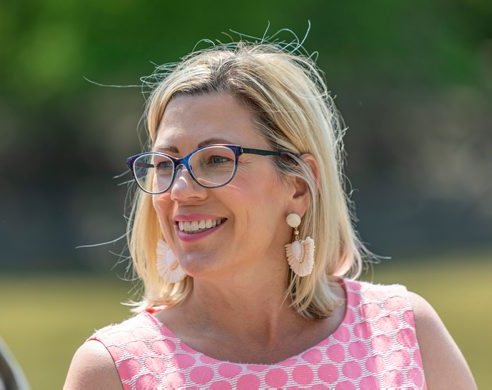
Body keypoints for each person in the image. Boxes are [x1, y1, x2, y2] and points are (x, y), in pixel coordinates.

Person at [64, 38, 476, 389]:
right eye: (166, 163)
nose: (181, 190)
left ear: (298, 185)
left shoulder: (404, 331)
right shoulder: (114, 370)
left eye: (216, 160)